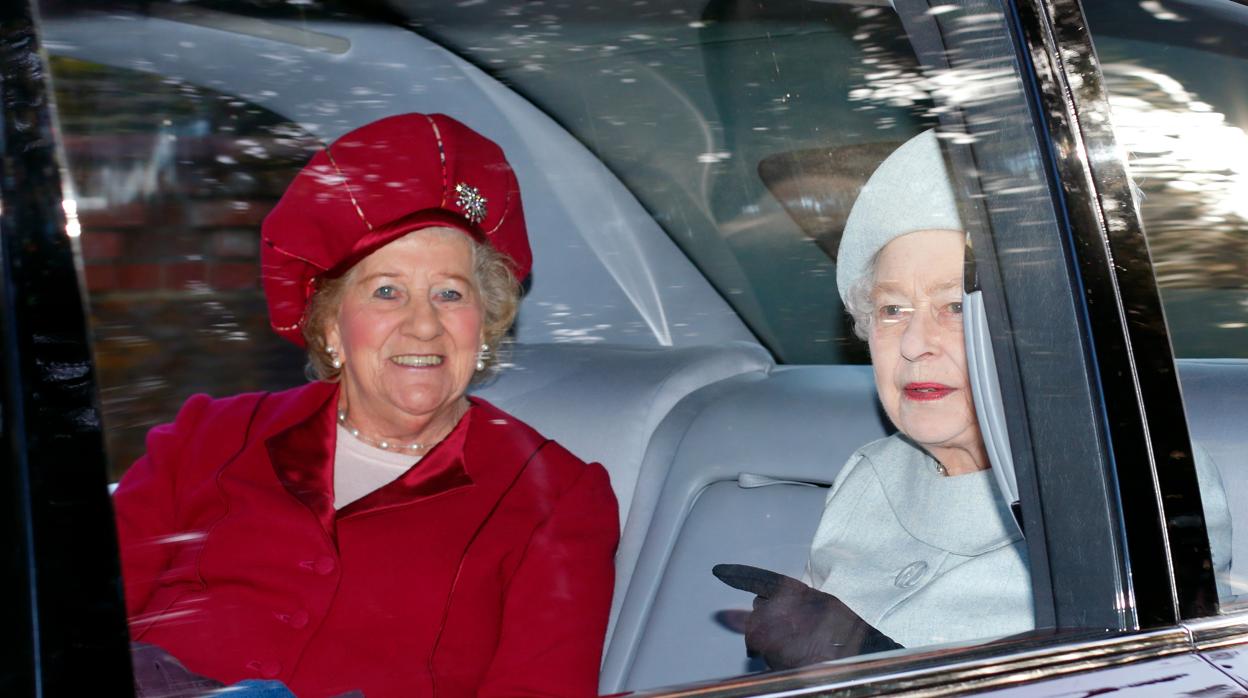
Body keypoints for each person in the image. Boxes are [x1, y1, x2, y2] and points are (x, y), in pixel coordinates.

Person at [112, 113, 620, 698]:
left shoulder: (557, 501)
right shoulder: (206, 438)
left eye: (450, 294)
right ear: (330, 323)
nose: (424, 325)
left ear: (487, 322)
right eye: (387, 291)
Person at [714, 129, 1232, 670]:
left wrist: (874, 661)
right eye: (893, 310)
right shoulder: (870, 474)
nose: (913, 345)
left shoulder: (1132, 491)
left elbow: (1138, 678)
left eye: (955, 308)